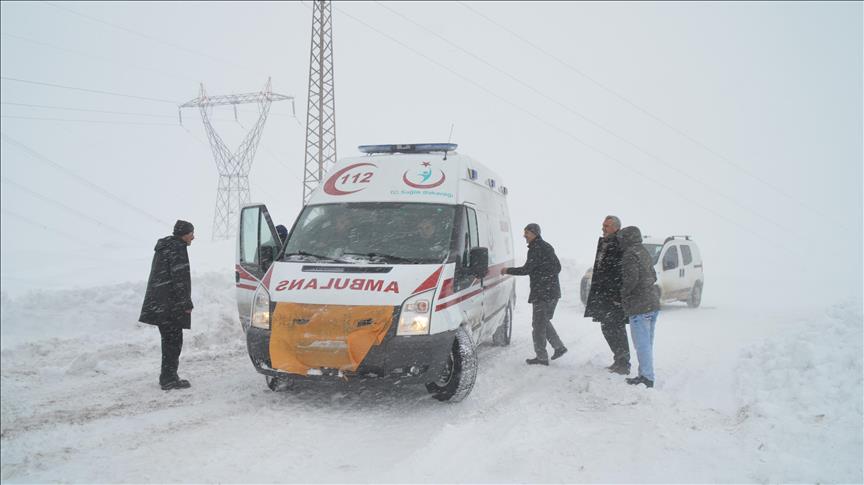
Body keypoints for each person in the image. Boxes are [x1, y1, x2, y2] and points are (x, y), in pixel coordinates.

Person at [139, 220, 195, 390]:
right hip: (170, 305)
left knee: (169, 340)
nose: (193, 237)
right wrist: (186, 303)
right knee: (173, 342)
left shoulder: (165, 247)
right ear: (184, 235)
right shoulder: (177, 249)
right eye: (191, 233)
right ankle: (169, 378)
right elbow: (179, 279)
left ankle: (168, 376)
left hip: (160, 303)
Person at [501, 223, 567, 365]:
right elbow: (558, 267)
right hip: (552, 293)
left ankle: (542, 357)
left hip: (542, 293)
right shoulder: (547, 247)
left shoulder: (535, 249)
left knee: (538, 325)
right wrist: (546, 275)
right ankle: (559, 347)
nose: (524, 236)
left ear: (534, 233)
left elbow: (526, 270)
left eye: (527, 233)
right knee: (542, 322)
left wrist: (507, 270)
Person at [584, 215, 631, 374]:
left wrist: (615, 293)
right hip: (603, 294)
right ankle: (618, 359)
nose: (603, 228)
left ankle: (624, 363)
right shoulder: (605, 242)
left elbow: (618, 271)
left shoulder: (619, 244)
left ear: (616, 228)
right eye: (603, 225)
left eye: (606, 226)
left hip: (614, 296)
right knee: (607, 327)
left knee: (616, 328)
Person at [618, 225, 660, 388]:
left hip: (639, 305)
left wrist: (623, 294)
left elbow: (631, 280)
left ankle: (647, 378)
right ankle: (644, 374)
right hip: (652, 302)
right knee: (647, 343)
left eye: (622, 238)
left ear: (627, 239)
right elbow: (654, 276)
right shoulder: (643, 251)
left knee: (641, 344)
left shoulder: (630, 254)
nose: (620, 242)